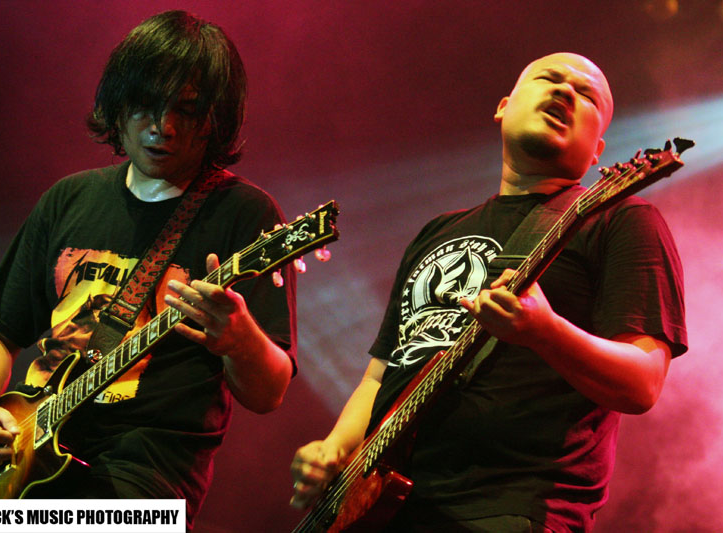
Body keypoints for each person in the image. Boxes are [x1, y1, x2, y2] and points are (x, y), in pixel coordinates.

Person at [290, 52, 687, 532]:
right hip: (381, 508)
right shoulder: (436, 232)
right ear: (503, 107)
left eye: (586, 95)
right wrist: (334, 449)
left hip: (505, 510)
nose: (565, 91)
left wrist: (546, 331)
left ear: (598, 150)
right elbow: (380, 376)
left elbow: (643, 383)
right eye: (550, 78)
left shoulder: (621, 220)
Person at [0, 10, 296, 531]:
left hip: (144, 479)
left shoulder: (244, 214)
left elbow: (269, 394)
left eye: (186, 110)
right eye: (146, 106)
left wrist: (240, 339)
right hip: (28, 462)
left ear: (216, 117)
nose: (164, 127)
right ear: (117, 105)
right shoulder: (69, 199)